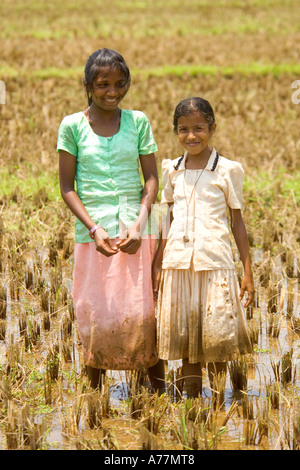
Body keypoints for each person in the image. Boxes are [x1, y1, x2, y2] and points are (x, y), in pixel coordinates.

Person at [57, 48, 164, 393]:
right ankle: (94, 400)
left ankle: (156, 394)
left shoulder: (138, 121)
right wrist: (94, 227)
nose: (112, 91)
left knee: (144, 309)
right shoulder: (72, 126)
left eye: (120, 83)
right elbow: (67, 187)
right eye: (103, 84)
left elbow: (151, 180)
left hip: (137, 228)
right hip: (94, 236)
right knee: (96, 311)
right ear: (88, 85)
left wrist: (141, 221)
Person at [152, 97, 254, 398]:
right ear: (175, 132)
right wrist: (158, 263)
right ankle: (193, 398)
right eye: (183, 129)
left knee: (217, 333)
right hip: (178, 263)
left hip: (215, 261)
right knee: (184, 334)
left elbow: (237, 221)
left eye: (199, 128)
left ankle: (217, 398)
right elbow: (166, 218)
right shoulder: (172, 169)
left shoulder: (227, 170)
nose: (191, 136)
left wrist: (247, 271)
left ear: (212, 127)